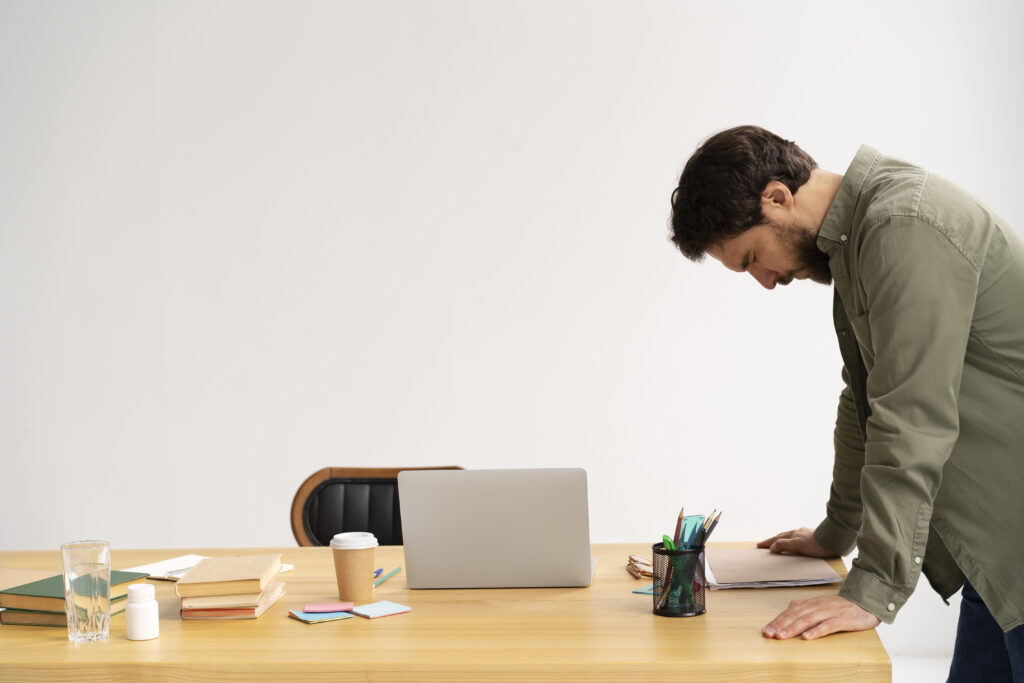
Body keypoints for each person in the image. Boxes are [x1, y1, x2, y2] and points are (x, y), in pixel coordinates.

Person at [669, 125, 1024, 681]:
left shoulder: (902, 226)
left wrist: (872, 590)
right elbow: (863, 401)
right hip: (996, 556)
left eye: (750, 258)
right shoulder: (858, 245)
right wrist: (837, 529)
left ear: (778, 198)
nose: (764, 281)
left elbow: (911, 418)